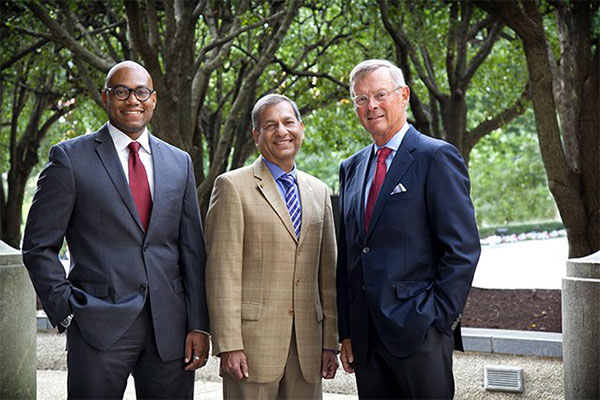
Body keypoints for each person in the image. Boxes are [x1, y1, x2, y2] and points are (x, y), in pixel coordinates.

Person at [22, 60, 210, 399]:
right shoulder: (70, 159)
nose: (132, 100)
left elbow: (192, 250)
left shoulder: (179, 161)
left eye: (141, 92)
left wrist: (198, 323)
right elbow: (37, 245)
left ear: (154, 99)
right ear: (105, 97)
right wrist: (67, 310)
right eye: (121, 91)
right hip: (97, 325)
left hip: (170, 329)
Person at [336, 59, 481, 399]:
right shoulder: (351, 168)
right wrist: (347, 330)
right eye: (361, 99)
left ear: (403, 95)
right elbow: (350, 254)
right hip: (366, 339)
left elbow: (462, 249)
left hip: (420, 333)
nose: (371, 106)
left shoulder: (436, 157)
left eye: (380, 94)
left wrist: (437, 319)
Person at [205, 94, 338, 399]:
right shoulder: (231, 187)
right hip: (251, 348)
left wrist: (330, 340)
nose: (282, 131)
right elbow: (221, 274)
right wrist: (229, 344)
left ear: (301, 128)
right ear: (256, 136)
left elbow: (327, 276)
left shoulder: (319, 191)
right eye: (270, 125)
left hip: (308, 347)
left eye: (289, 122)